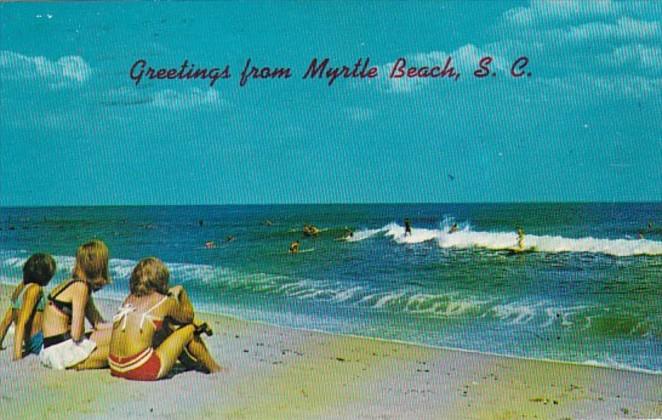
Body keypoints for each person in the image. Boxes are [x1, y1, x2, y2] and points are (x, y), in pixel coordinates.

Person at [108, 257, 220, 381]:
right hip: (139, 368)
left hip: (115, 366)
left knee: (163, 327)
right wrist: (181, 292)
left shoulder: (129, 299)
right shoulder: (163, 301)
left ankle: (190, 364)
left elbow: (168, 322)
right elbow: (188, 317)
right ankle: (215, 369)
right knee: (190, 329)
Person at [40, 240, 113, 370]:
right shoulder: (81, 288)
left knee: (119, 335)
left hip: (52, 348)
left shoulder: (75, 283)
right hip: (61, 351)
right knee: (120, 347)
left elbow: (98, 324)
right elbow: (76, 334)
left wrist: (121, 323)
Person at [0, 253, 56, 360]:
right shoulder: (35, 289)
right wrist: (17, 356)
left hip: (31, 341)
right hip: (39, 341)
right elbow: (21, 323)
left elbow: (7, 321)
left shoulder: (21, 288)